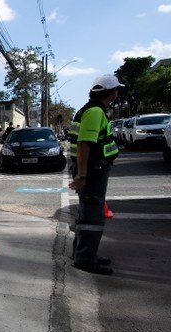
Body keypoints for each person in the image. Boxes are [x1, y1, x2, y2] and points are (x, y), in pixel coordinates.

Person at [67, 74, 122, 275]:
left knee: (88, 214)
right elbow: (84, 143)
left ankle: (83, 254)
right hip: (91, 171)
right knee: (92, 216)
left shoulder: (91, 110)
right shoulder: (94, 112)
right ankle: (85, 259)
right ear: (113, 92)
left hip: (91, 169)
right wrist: (82, 175)